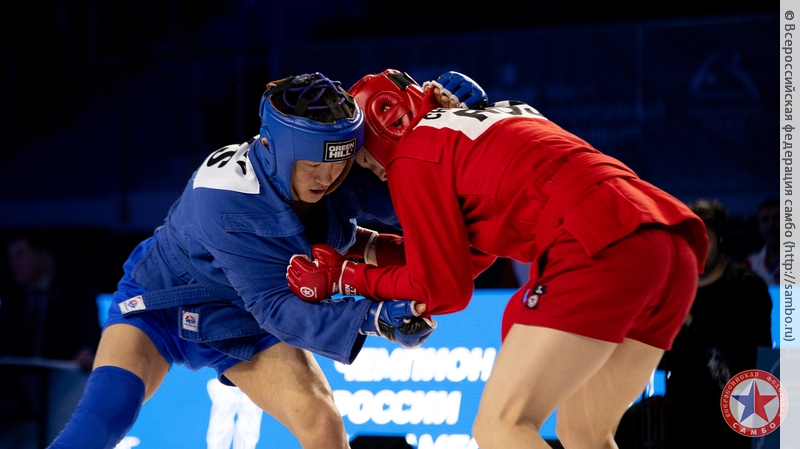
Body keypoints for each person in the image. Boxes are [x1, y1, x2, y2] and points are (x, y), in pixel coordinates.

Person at [286, 69, 709, 449]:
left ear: (386, 121)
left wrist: (345, 278)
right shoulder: (500, 113)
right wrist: (365, 252)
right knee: (584, 433)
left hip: (599, 243)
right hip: (668, 241)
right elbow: (468, 260)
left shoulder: (413, 155)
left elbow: (442, 291)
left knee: (501, 427)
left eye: (365, 158)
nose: (373, 171)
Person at [46, 72, 454, 449]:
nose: (327, 178)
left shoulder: (336, 171)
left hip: (240, 313)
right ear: (272, 147)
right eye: (313, 165)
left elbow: (428, 204)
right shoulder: (225, 198)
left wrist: (453, 125)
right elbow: (277, 307)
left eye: (339, 163)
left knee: (322, 422)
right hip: (163, 299)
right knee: (102, 420)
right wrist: (375, 318)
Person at [660, 199, 772, 449]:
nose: (696, 248)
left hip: (735, 415)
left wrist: (691, 321)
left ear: (720, 240)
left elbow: (741, 350)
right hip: (683, 417)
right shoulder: (677, 287)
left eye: (704, 239)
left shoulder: (746, 286)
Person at [0, 232, 101, 369]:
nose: (14, 264)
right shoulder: (12, 297)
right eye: (11, 257)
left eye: (20, 255)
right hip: (18, 374)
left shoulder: (75, 289)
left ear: (44, 256)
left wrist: (86, 351)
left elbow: (88, 331)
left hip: (64, 373)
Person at [744, 197, 779, 285]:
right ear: (759, 225)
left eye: (777, 219)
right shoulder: (751, 264)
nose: (771, 225)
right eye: (765, 220)